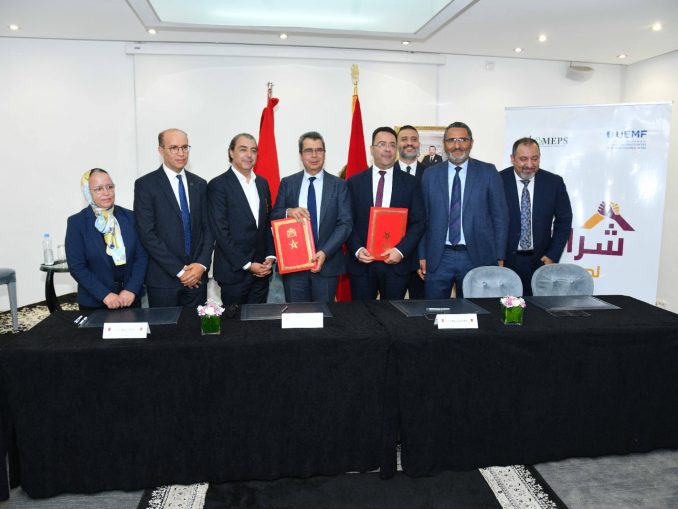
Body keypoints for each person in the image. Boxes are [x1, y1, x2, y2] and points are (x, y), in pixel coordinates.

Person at [419, 121, 508, 299]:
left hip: (477, 257)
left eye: (462, 140)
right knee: (435, 310)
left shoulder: (488, 172)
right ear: (444, 144)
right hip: (438, 257)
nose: (457, 145)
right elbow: (423, 218)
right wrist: (422, 255)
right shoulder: (430, 174)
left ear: (471, 143)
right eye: (451, 140)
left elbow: (500, 218)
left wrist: (499, 256)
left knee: (474, 311)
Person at [134, 128, 214, 307]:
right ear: (160, 150)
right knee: (165, 327)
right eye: (174, 148)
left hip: (197, 278)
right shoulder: (145, 185)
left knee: (196, 325)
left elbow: (208, 229)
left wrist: (201, 265)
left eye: (185, 147)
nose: (181, 153)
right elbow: (147, 234)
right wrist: (180, 271)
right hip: (163, 280)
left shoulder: (199, 184)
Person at [271, 132, 352, 302]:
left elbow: (345, 224)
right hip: (294, 267)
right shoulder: (288, 183)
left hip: (327, 265)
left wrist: (325, 252)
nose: (314, 155)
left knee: (323, 315)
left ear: (324, 154)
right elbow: (274, 215)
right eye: (309, 151)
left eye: (319, 150)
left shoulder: (339, 185)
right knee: (296, 315)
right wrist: (288, 211)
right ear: (301, 155)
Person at [346, 126, 425, 300]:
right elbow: (346, 221)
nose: (387, 149)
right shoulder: (354, 182)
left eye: (392, 144)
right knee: (362, 314)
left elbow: (419, 222)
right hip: (362, 264)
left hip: (396, 265)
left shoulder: (412, 183)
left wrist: (401, 250)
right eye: (382, 144)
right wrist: (357, 249)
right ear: (371, 149)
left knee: (393, 314)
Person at [208, 133, 276, 305]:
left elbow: (267, 224)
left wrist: (270, 255)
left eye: (253, 150)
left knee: (258, 319)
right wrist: (247, 264)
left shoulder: (262, 183)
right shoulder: (218, 185)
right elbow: (220, 232)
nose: (249, 155)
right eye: (243, 149)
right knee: (234, 321)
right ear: (231, 152)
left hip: (262, 271)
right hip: (234, 273)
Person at [66, 169, 148, 310]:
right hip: (94, 302)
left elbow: (141, 257)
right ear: (87, 192)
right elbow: (77, 267)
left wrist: (131, 289)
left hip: (130, 299)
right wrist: (104, 295)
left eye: (110, 187)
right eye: (98, 189)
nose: (106, 192)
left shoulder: (131, 217)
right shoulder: (77, 223)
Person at [500, 137, 573, 295]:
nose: (529, 165)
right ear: (512, 159)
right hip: (505, 262)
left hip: (541, 262)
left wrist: (553, 255)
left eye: (534, 158)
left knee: (538, 308)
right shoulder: (498, 180)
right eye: (523, 159)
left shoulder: (554, 183)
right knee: (505, 307)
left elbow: (564, 220)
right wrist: (496, 256)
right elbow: (487, 221)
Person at [395, 125, 428, 299]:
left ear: (419, 144)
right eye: (404, 139)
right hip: (393, 254)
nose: (409, 143)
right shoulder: (385, 174)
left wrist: (423, 254)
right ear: (397, 144)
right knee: (390, 308)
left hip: (423, 257)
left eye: (414, 139)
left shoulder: (431, 174)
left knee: (420, 308)